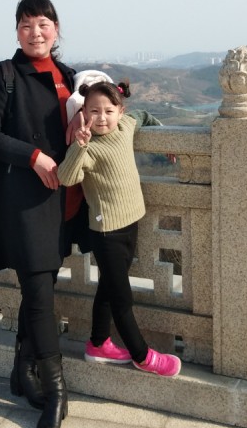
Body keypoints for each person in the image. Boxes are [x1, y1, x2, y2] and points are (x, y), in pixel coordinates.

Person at [0, 0, 85, 428]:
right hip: (24, 201)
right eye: (26, 25)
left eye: (43, 24)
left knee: (41, 290)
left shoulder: (69, 75)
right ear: (16, 32)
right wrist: (33, 156)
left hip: (63, 200)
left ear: (56, 30)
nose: (35, 32)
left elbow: (100, 113)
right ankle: (56, 392)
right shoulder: (3, 76)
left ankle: (22, 372)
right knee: (40, 296)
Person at [57, 80, 182, 377]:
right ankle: (142, 355)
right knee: (122, 297)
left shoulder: (125, 126)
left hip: (131, 222)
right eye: (94, 111)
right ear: (84, 114)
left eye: (108, 111)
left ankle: (98, 343)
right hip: (106, 232)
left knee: (109, 287)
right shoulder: (88, 148)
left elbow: (144, 116)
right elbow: (66, 177)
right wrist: (79, 145)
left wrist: (166, 139)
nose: (102, 117)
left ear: (120, 111)